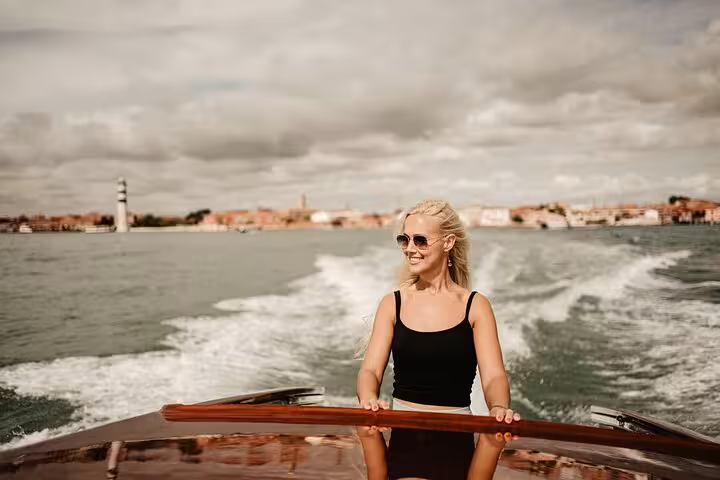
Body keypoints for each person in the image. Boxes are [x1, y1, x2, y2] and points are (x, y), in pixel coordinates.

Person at [356, 199, 520, 424]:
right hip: (402, 439)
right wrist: (368, 399)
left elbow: (493, 376)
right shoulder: (392, 304)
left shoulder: (476, 306)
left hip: (458, 440)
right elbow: (371, 371)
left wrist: (499, 407)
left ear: (448, 242)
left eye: (420, 241)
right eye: (405, 240)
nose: (410, 249)